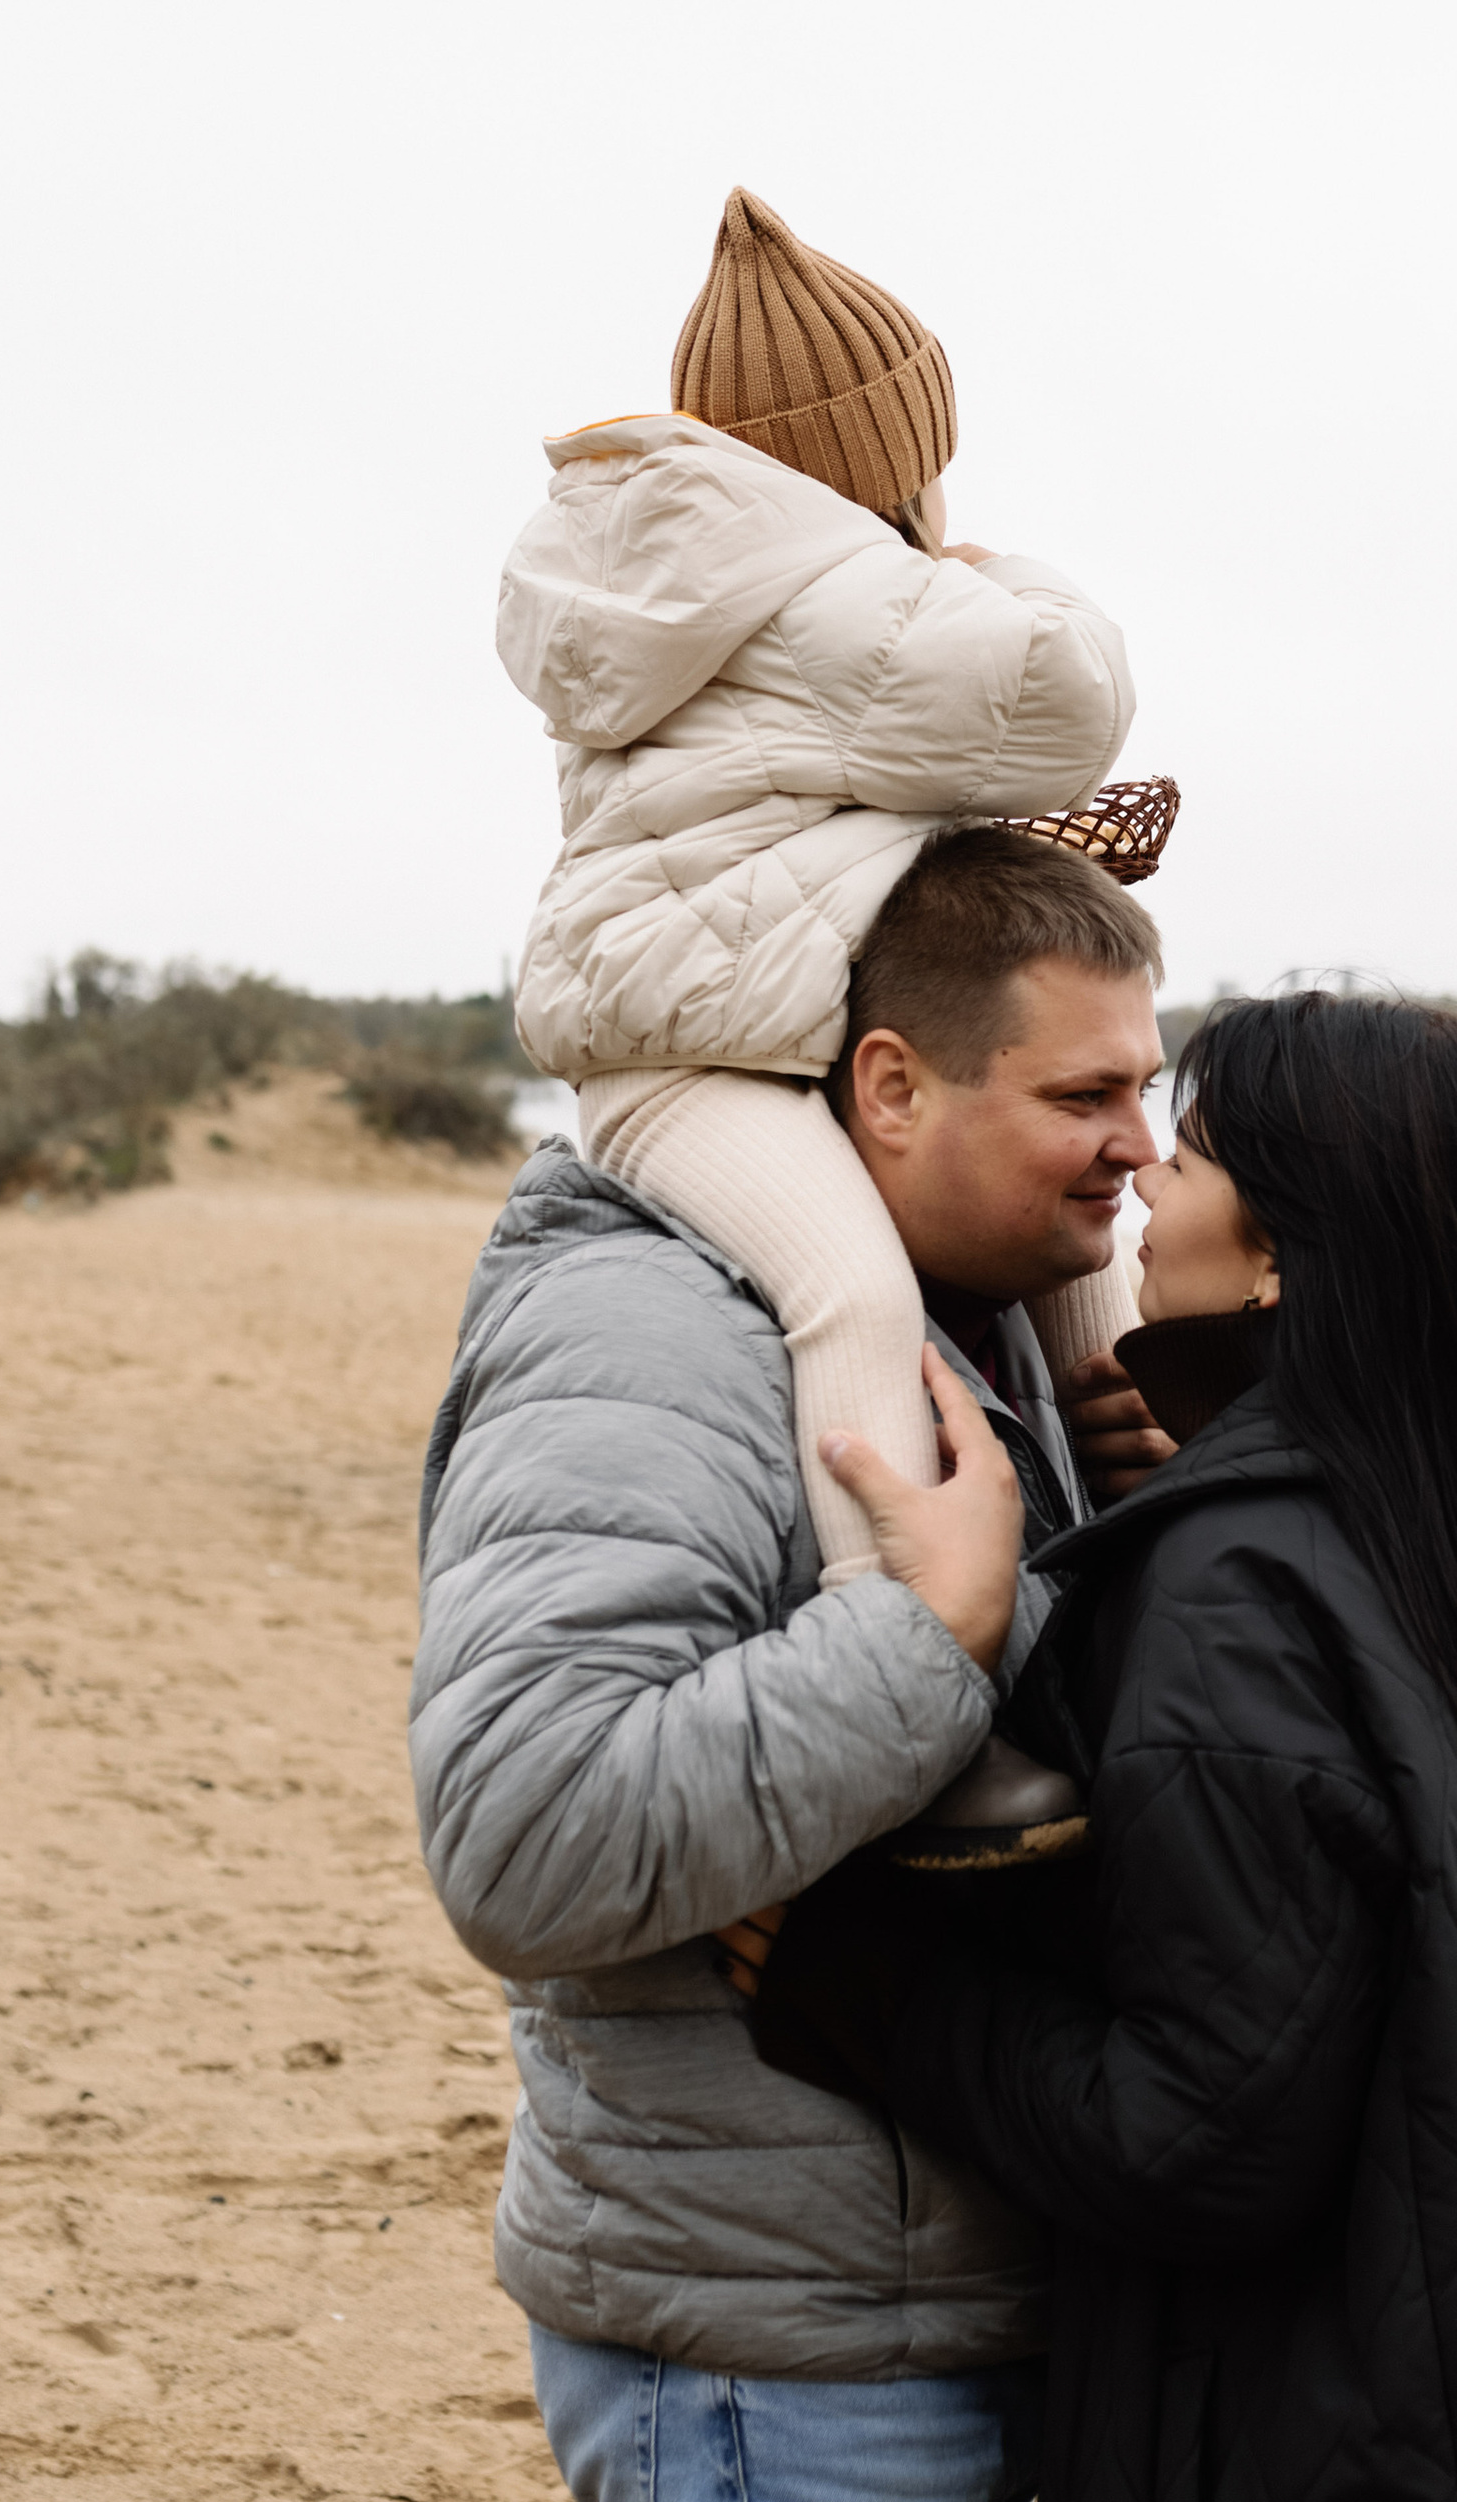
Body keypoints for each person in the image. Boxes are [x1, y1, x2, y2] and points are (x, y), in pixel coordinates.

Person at [757, 992, 1457, 2502]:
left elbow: (1201, 2142)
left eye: (1201, 1153)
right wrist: (1203, 1435)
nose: (1148, 1175)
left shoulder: (1242, 1586)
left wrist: (863, 1982)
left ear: (1287, 1250)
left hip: (1354, 2480)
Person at [409, 831, 1170, 2502]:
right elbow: (525, 1840)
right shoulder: (650, 1332)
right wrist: (925, 1636)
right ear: (890, 1087)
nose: (1142, 1142)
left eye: (1151, 1085)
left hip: (950, 2298)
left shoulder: (991, 1320)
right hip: (793, 2362)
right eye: (1088, 1094)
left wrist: (1150, 1501)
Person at [497, 190, 1164, 1803]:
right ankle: (914, 1668)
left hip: (738, 1014)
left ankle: (1134, 1506)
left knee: (1075, 1268)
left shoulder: (692, 592)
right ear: (885, 458)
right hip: (691, 1066)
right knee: (852, 1301)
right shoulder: (831, 596)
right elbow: (1065, 697)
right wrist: (1012, 571)